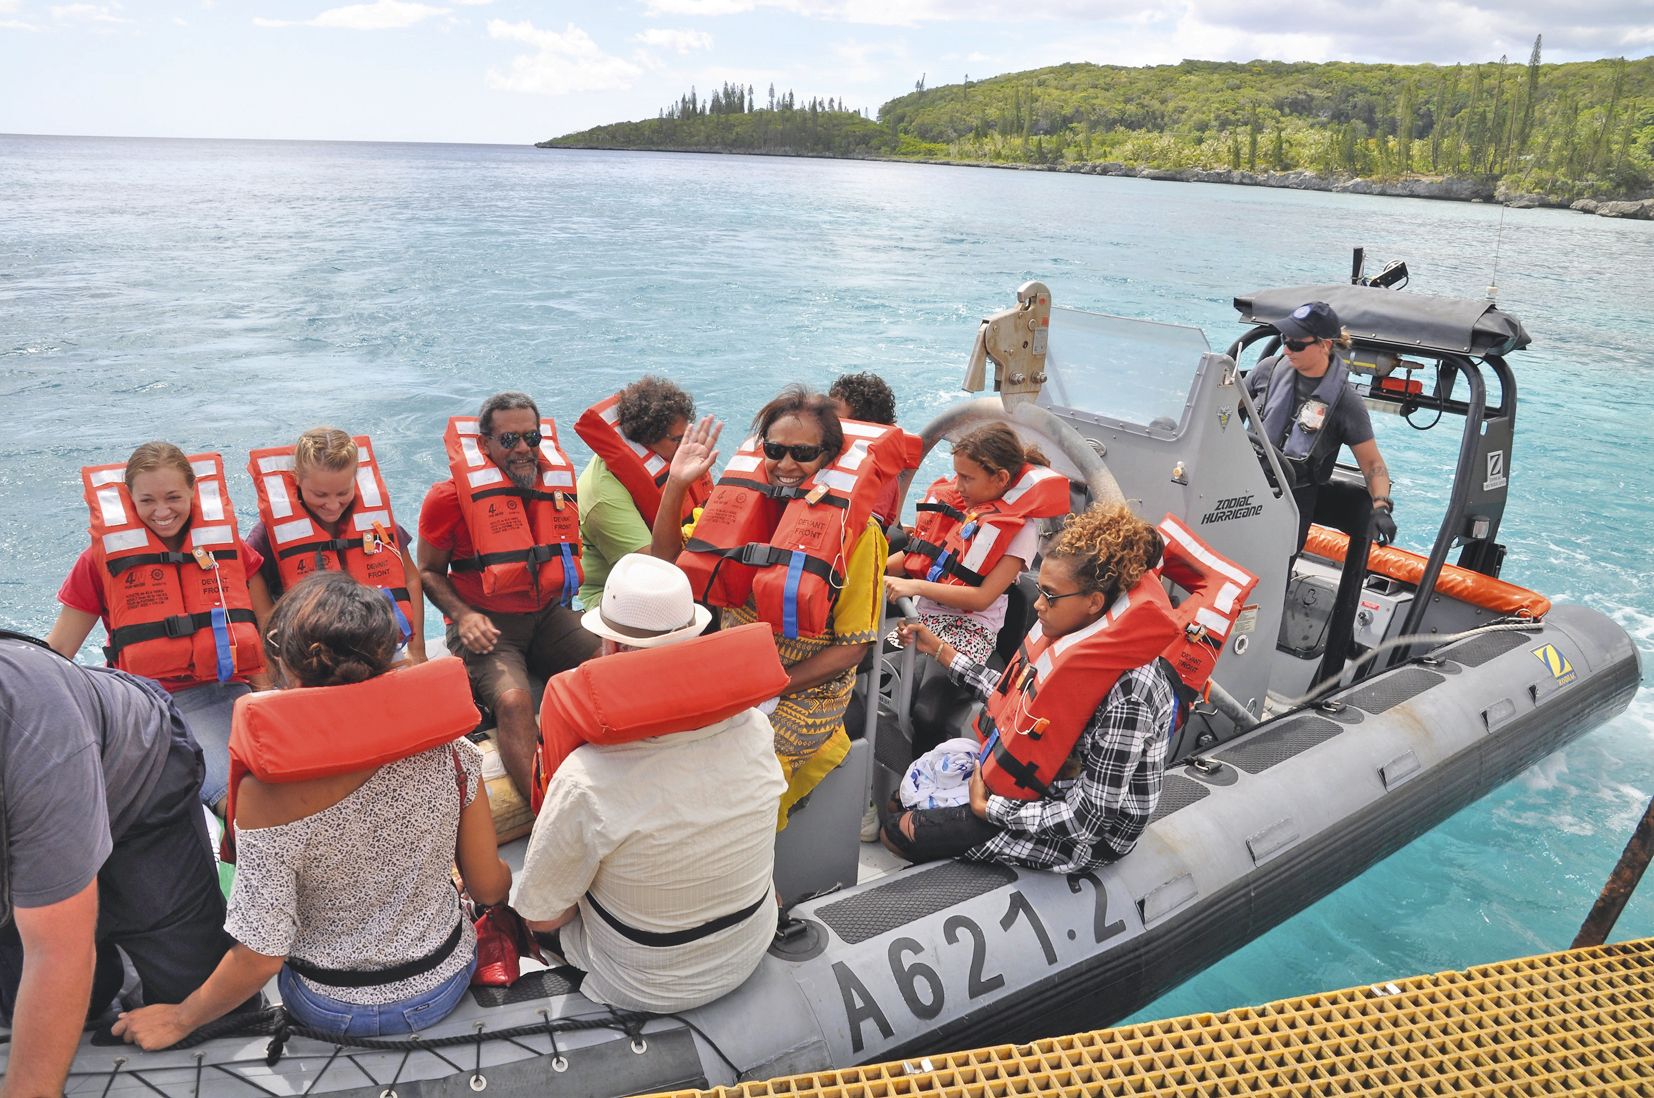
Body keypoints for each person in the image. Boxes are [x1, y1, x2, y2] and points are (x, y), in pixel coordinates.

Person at [112, 572, 511, 1048]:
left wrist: (179, 1020)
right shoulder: (453, 751)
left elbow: (260, 958)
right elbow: (490, 885)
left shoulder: (268, 793)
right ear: (390, 657)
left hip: (332, 1006)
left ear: (288, 668)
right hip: (442, 982)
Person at [512, 554, 788, 1012]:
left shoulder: (585, 778)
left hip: (642, 985)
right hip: (746, 951)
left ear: (611, 651)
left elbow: (543, 917)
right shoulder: (755, 729)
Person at [1, 631, 240, 1098]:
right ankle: (105, 969)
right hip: (33, 804)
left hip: (139, 782)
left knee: (206, 1002)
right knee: (22, 1002)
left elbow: (56, 955)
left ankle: (126, 937)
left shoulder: (30, 727)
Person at [881, 504, 1183, 873]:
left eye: (1050, 596)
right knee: (900, 801)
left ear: (1095, 602)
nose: (1038, 605)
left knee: (898, 832)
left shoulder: (1130, 692)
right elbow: (1017, 696)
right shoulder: (1067, 630)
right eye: (1040, 590)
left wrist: (988, 808)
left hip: (1084, 839)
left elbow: (1090, 820)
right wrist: (941, 651)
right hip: (1041, 784)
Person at [654, 387, 893, 820]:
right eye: (775, 449)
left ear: (828, 457)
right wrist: (676, 485)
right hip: (733, 669)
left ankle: (753, 878)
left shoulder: (858, 536)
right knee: (665, 749)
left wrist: (770, 686)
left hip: (805, 692)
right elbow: (666, 561)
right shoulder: (737, 506)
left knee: (738, 786)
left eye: (802, 452)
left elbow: (854, 647)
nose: (786, 465)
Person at [46, 441, 273, 814]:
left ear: (193, 492)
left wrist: (271, 694)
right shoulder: (96, 561)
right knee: (240, 802)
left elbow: (265, 626)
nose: (162, 511)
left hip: (234, 688)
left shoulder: (226, 547)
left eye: (173, 497)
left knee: (297, 776)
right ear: (128, 499)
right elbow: (58, 650)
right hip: (151, 701)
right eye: (147, 500)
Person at [419, 392, 600, 797]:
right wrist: (463, 617)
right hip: (487, 625)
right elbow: (428, 572)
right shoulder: (447, 498)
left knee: (609, 664)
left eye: (531, 438)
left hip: (549, 616)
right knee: (515, 701)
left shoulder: (553, 487)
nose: (522, 449)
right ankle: (544, 807)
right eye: (508, 440)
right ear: (484, 445)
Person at [886, 423, 1070, 668]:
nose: (958, 486)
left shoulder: (1021, 530)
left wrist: (915, 586)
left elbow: (982, 598)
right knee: (874, 667)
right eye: (957, 476)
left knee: (922, 698)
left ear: (1001, 478)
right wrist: (868, 569)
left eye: (967, 478)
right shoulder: (962, 508)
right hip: (920, 616)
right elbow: (918, 557)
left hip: (969, 631)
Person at [246, 426, 427, 664]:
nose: (332, 505)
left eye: (343, 492)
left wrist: (418, 649)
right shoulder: (266, 536)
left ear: (355, 479)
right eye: (320, 495)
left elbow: (411, 579)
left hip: (378, 646)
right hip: (311, 659)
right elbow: (263, 614)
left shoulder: (376, 524)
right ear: (297, 478)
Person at [1245, 301, 1396, 550]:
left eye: (1296, 344)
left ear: (1325, 345)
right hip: (1243, 482)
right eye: (1284, 339)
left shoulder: (1347, 403)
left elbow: (1372, 463)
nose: (1286, 349)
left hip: (1292, 500)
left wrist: (1381, 506)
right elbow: (1225, 405)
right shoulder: (1266, 371)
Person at [572, 377, 708, 610]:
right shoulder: (603, 495)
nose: (686, 446)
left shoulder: (671, 458)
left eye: (687, 436)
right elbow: (655, 571)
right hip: (614, 599)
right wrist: (676, 485)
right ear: (645, 440)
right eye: (677, 439)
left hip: (674, 573)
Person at [828, 371, 902, 525]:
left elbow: (862, 530)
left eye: (837, 421)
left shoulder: (879, 475)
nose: (826, 425)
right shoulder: (819, 456)